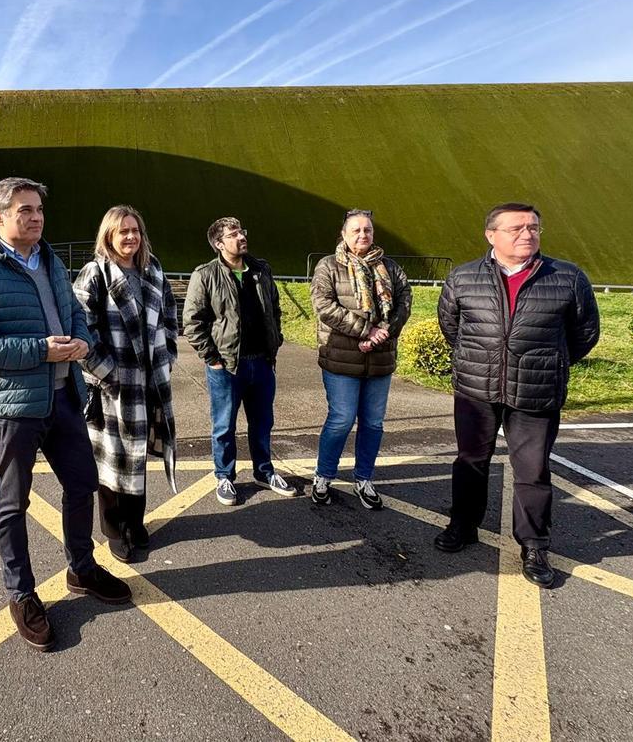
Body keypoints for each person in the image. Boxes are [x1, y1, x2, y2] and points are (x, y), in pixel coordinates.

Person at [0, 177, 131, 652]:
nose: (35, 217)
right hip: (15, 408)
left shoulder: (49, 258)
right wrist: (40, 351)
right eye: (25, 210)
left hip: (64, 396)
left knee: (82, 483)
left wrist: (82, 342)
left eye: (39, 210)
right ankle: (22, 594)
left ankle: (81, 569)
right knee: (13, 503)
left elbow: (73, 313)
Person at [434, 202, 600, 588]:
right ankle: (463, 524)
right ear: (491, 235)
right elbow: (452, 327)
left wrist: (548, 364)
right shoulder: (463, 278)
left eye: (534, 228)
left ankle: (534, 544)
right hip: (477, 388)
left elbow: (584, 333)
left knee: (532, 470)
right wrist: (483, 360)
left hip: (536, 391)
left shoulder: (567, 277)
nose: (527, 234)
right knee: (471, 461)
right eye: (517, 228)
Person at [73, 205, 178, 563]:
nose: (130, 237)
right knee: (111, 459)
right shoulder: (95, 274)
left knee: (138, 456)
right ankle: (114, 529)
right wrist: (106, 371)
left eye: (135, 230)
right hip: (112, 387)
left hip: (150, 382)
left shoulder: (153, 269)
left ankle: (136, 521)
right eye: (123, 231)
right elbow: (80, 328)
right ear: (109, 236)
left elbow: (169, 316)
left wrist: (169, 355)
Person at [182, 217, 296, 506]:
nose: (241, 237)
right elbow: (193, 322)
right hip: (227, 365)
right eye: (233, 234)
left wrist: (276, 341)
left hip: (262, 361)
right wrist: (212, 358)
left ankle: (264, 471)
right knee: (223, 425)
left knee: (262, 422)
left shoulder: (261, 270)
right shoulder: (205, 275)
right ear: (219, 243)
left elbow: (275, 308)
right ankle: (224, 476)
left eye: (242, 231)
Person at [309, 209, 412, 510]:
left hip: (379, 361)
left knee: (373, 423)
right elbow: (324, 305)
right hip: (342, 360)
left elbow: (404, 302)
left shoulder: (389, 268)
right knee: (340, 420)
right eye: (355, 230)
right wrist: (367, 330)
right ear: (343, 234)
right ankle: (323, 476)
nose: (362, 235)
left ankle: (364, 478)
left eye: (367, 230)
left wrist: (384, 333)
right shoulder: (329, 266)